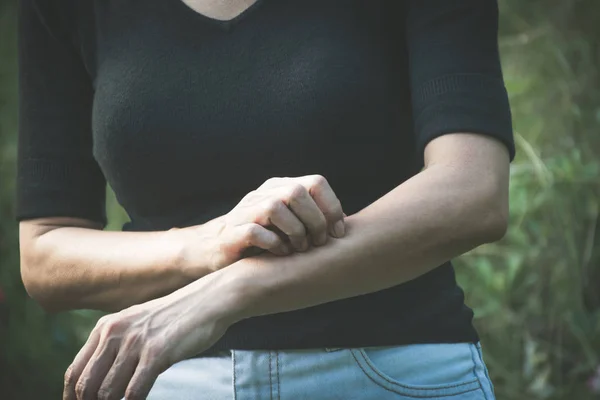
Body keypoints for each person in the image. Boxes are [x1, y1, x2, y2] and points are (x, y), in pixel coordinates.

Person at [16, 0, 515, 398]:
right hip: (172, 380)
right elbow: (44, 253)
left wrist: (222, 295)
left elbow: (472, 192)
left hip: (391, 370)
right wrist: (208, 243)